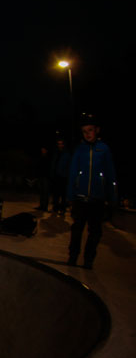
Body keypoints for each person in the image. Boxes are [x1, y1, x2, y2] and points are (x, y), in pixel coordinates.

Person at [66, 114, 117, 269]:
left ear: (97, 130)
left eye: (90, 130)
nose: (87, 134)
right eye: (84, 131)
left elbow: (110, 174)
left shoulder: (104, 150)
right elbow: (73, 173)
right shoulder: (80, 150)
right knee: (77, 230)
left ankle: (89, 259)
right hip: (80, 198)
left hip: (97, 199)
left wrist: (112, 197)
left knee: (95, 232)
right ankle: (73, 257)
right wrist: (70, 196)